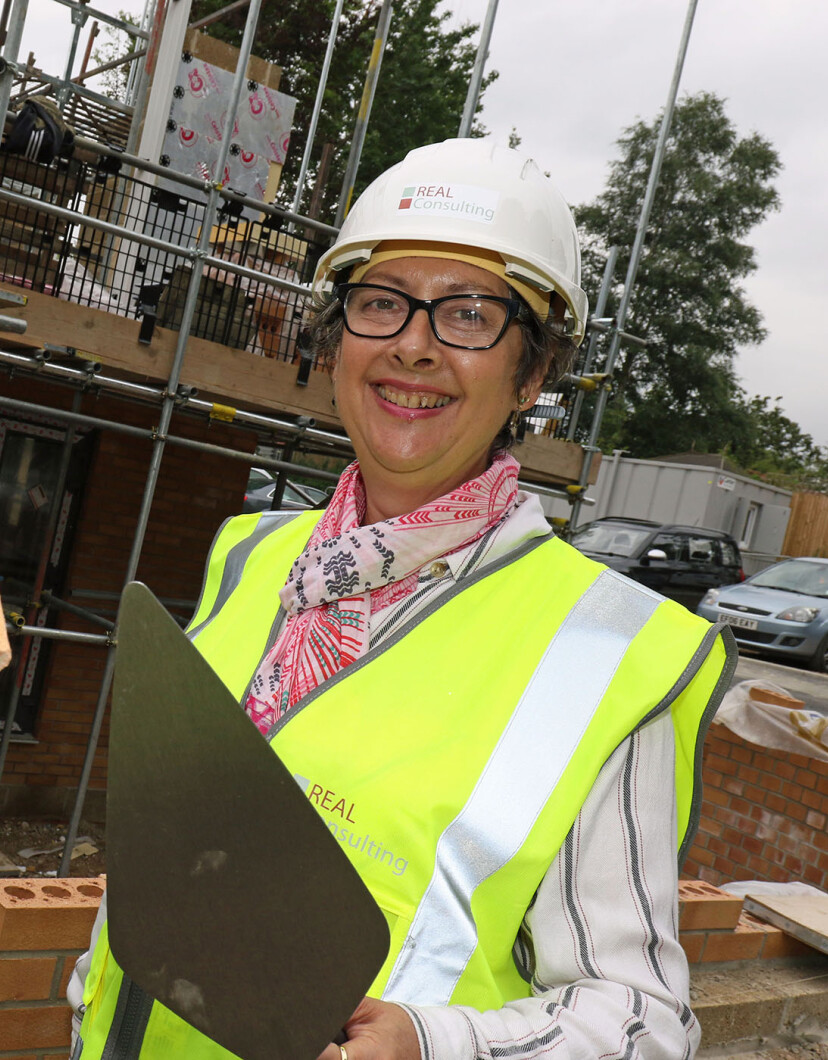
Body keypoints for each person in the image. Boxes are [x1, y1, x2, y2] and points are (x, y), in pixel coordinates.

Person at [70, 138, 733, 1060]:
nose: (413, 346)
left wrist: (437, 1045)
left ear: (532, 375)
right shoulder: (250, 555)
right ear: (337, 335)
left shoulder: (608, 652)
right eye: (380, 303)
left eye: (469, 314)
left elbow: (640, 1021)